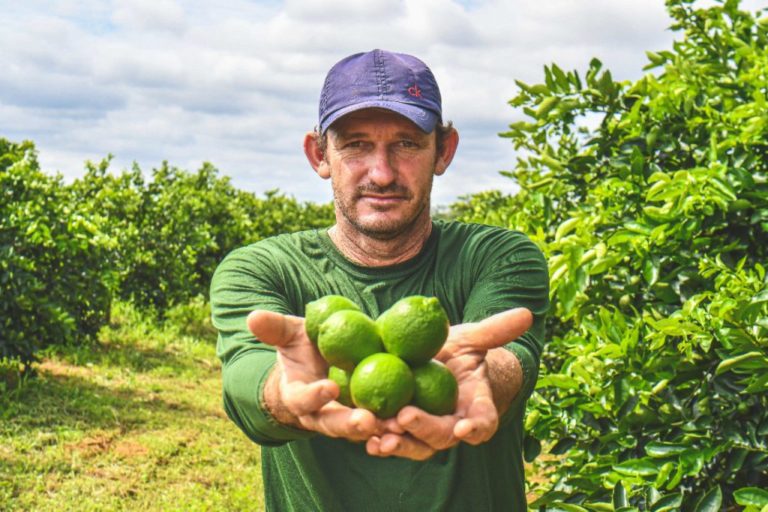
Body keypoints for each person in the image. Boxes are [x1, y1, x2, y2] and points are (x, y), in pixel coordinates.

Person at [210, 49, 549, 511]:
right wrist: (286, 394)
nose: (382, 173)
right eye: (356, 145)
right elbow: (246, 381)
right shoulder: (262, 268)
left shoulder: (497, 256)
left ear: (443, 150)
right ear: (319, 154)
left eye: (406, 144)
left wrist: (481, 377)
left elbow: (512, 358)